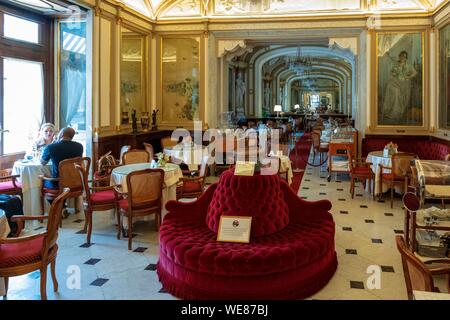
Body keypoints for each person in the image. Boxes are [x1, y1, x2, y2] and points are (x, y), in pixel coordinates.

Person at [382, 50, 417, 124]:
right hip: (397, 81)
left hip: (405, 83)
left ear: (406, 58)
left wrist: (408, 77)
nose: (403, 58)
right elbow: (392, 71)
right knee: (390, 87)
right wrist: (393, 74)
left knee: (398, 93)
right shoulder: (396, 64)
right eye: (401, 56)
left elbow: (415, 72)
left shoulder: (408, 65)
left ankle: (397, 112)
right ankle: (390, 110)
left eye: (404, 57)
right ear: (400, 56)